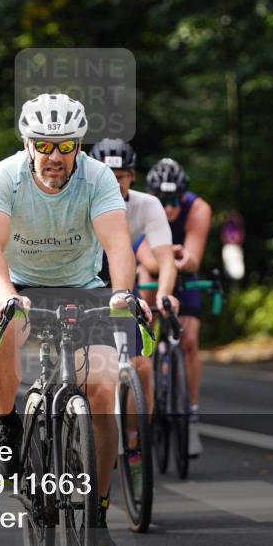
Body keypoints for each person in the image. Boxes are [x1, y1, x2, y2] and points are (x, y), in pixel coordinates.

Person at [0, 93, 151, 546]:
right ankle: (8, 425)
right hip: (19, 284)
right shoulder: (3, 178)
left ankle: (97, 512)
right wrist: (5, 296)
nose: (55, 157)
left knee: (103, 383)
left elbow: (117, 242)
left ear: (79, 145)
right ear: (27, 144)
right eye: (44, 145)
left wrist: (123, 292)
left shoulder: (96, 177)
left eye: (66, 146)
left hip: (83, 286)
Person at [89, 138, 178, 415]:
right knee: (89, 373)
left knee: (141, 367)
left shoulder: (147, 205)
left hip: (123, 284)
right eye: (106, 177)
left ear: (132, 176)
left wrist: (164, 294)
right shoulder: (79, 202)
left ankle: (136, 440)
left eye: (120, 177)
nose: (114, 184)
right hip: (87, 281)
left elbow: (166, 259)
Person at [140, 159, 212, 457]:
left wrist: (181, 261)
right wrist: (166, 259)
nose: (169, 209)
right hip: (152, 272)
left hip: (183, 273)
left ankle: (191, 416)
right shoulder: (140, 207)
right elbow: (147, 259)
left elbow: (194, 257)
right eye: (163, 201)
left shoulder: (198, 208)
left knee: (190, 341)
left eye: (175, 201)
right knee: (144, 334)